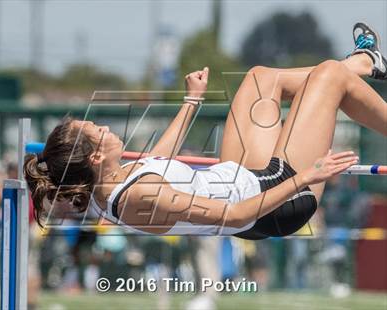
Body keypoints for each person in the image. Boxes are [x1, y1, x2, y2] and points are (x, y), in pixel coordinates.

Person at [24, 22, 386, 239]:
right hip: (277, 200)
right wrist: (309, 175)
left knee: (261, 79)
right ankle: (360, 63)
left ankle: (365, 62)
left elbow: (157, 161)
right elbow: (237, 216)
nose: (105, 127)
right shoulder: (142, 196)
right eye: (97, 128)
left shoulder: (112, 183)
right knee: (329, 76)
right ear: (96, 155)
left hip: (248, 178)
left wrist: (191, 101)